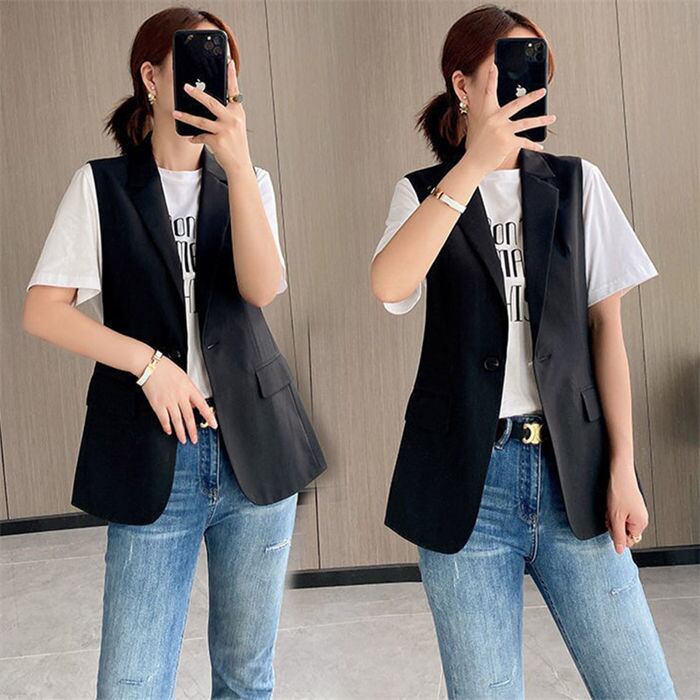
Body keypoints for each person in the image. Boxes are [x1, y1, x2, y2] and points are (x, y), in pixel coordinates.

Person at [370, 5, 676, 699]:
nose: (526, 86)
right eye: (509, 69)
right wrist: (474, 165)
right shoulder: (422, 194)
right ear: (462, 85)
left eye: (538, 72)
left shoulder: (577, 182)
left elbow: (606, 333)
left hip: (575, 473)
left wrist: (623, 469)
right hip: (465, 484)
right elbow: (388, 285)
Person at [22, 7, 326, 698]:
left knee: (247, 677)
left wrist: (238, 166)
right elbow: (43, 310)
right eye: (193, 64)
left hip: (257, 451)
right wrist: (149, 364)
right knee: (132, 682)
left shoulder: (249, 182)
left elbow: (262, 289)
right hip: (153, 452)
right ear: (151, 78)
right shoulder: (101, 186)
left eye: (224, 68)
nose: (212, 80)